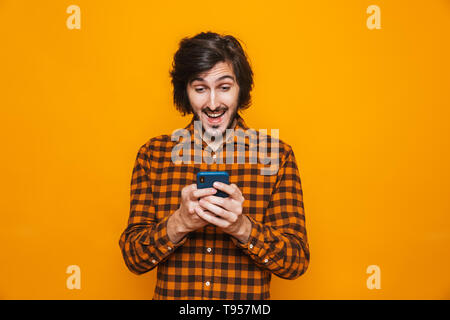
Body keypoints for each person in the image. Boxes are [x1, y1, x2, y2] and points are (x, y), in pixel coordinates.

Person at [119, 31, 310, 300]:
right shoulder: (154, 156)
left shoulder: (276, 156)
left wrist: (241, 227)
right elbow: (133, 258)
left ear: (240, 88)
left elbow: (296, 262)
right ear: (185, 92)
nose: (212, 103)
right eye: (200, 88)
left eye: (224, 87)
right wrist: (180, 222)